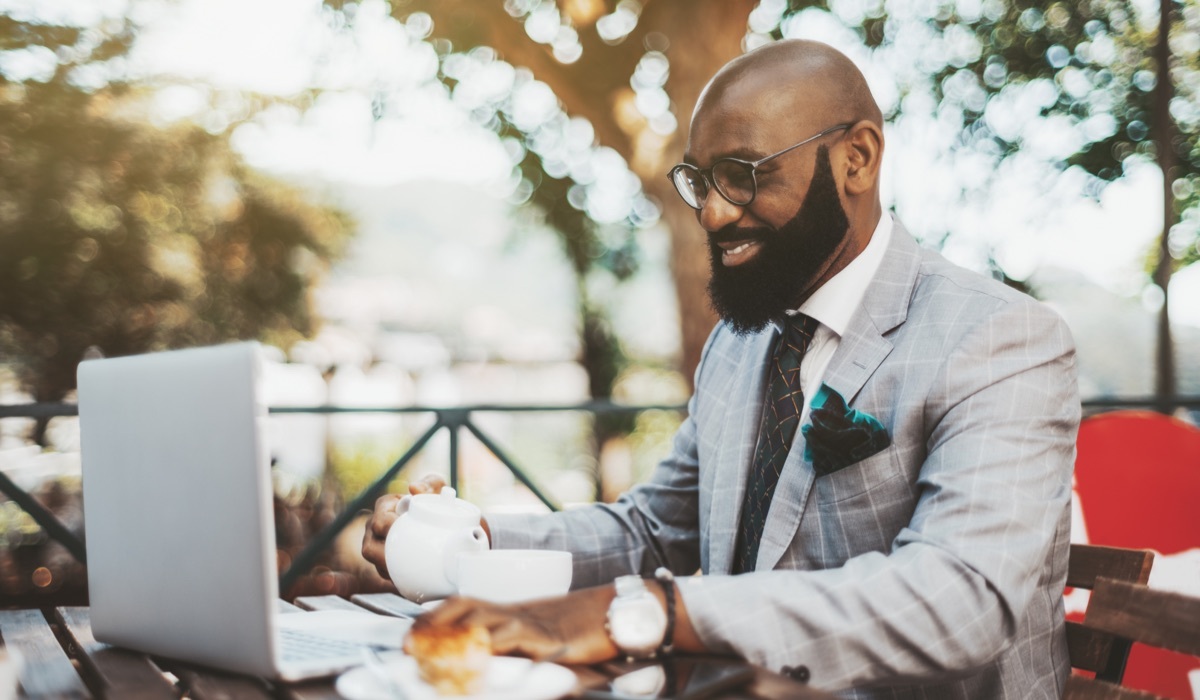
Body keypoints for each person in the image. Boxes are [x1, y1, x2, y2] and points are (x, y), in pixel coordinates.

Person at [362, 39, 1079, 696]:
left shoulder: (1001, 338)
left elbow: (963, 599)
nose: (710, 214)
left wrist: (654, 612)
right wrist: (471, 539)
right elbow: (651, 531)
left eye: (741, 175)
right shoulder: (741, 345)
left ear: (857, 158)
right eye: (700, 181)